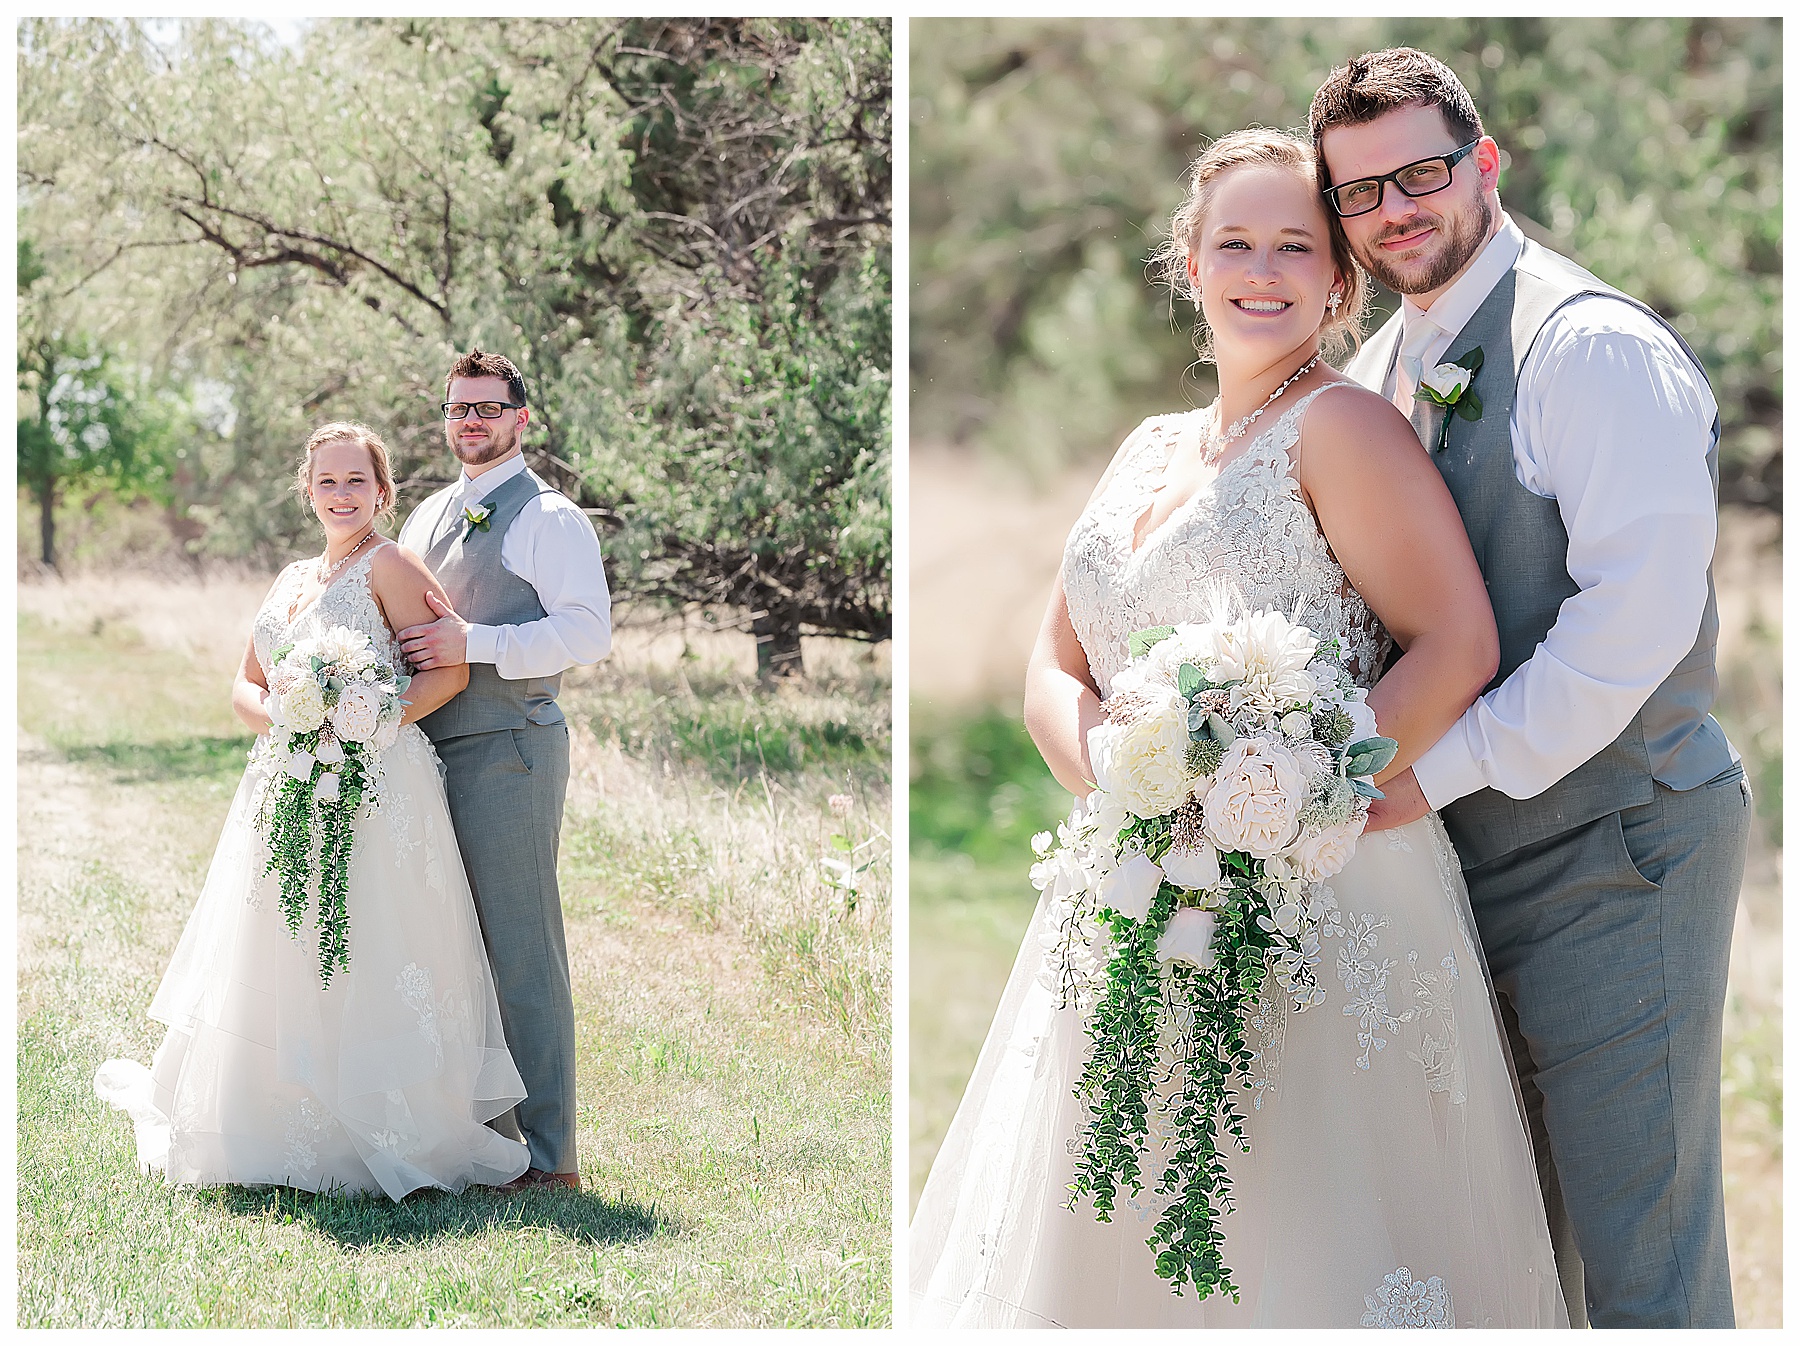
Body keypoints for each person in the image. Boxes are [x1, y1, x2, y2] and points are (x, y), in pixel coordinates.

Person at [909, 128, 1566, 1328]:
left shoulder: (1345, 431)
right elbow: (1053, 667)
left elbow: (1457, 643)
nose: (1262, 270)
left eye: (1295, 246)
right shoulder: (1147, 447)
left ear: (1338, 280)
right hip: (1132, 881)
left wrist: (1300, 787)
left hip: (1311, 892)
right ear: (1191, 263)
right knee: (1123, 1192)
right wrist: (1126, 776)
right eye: (1235, 243)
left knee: (1286, 1213)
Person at [1312, 48, 1747, 1329]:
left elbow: (1633, 627)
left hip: (1621, 847)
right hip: (1458, 864)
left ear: (1484, 164)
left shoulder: (1590, 347)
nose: (1397, 208)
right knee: (1506, 1244)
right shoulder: (1389, 367)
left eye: (1423, 172)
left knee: (1640, 1251)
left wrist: (1428, 775)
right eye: (1360, 192)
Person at [95, 422, 532, 1198]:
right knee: (284, 941)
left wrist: (367, 722)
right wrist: (295, 723)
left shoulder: (392, 566)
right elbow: (244, 686)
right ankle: (271, 1114)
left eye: (356, 482)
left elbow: (448, 676)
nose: (341, 495)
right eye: (327, 481)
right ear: (308, 489)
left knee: (369, 938)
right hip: (287, 777)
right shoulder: (292, 578)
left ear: (382, 491)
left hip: (376, 784)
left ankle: (383, 1126)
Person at [395, 350, 612, 1192]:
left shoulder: (550, 519)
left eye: (487, 409)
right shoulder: (426, 516)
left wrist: (476, 645)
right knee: (451, 952)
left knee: (521, 953)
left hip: (509, 748)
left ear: (523, 418)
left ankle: (551, 1159)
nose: (470, 423)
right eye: (457, 410)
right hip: (423, 751)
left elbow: (589, 634)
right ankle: (487, 1139)